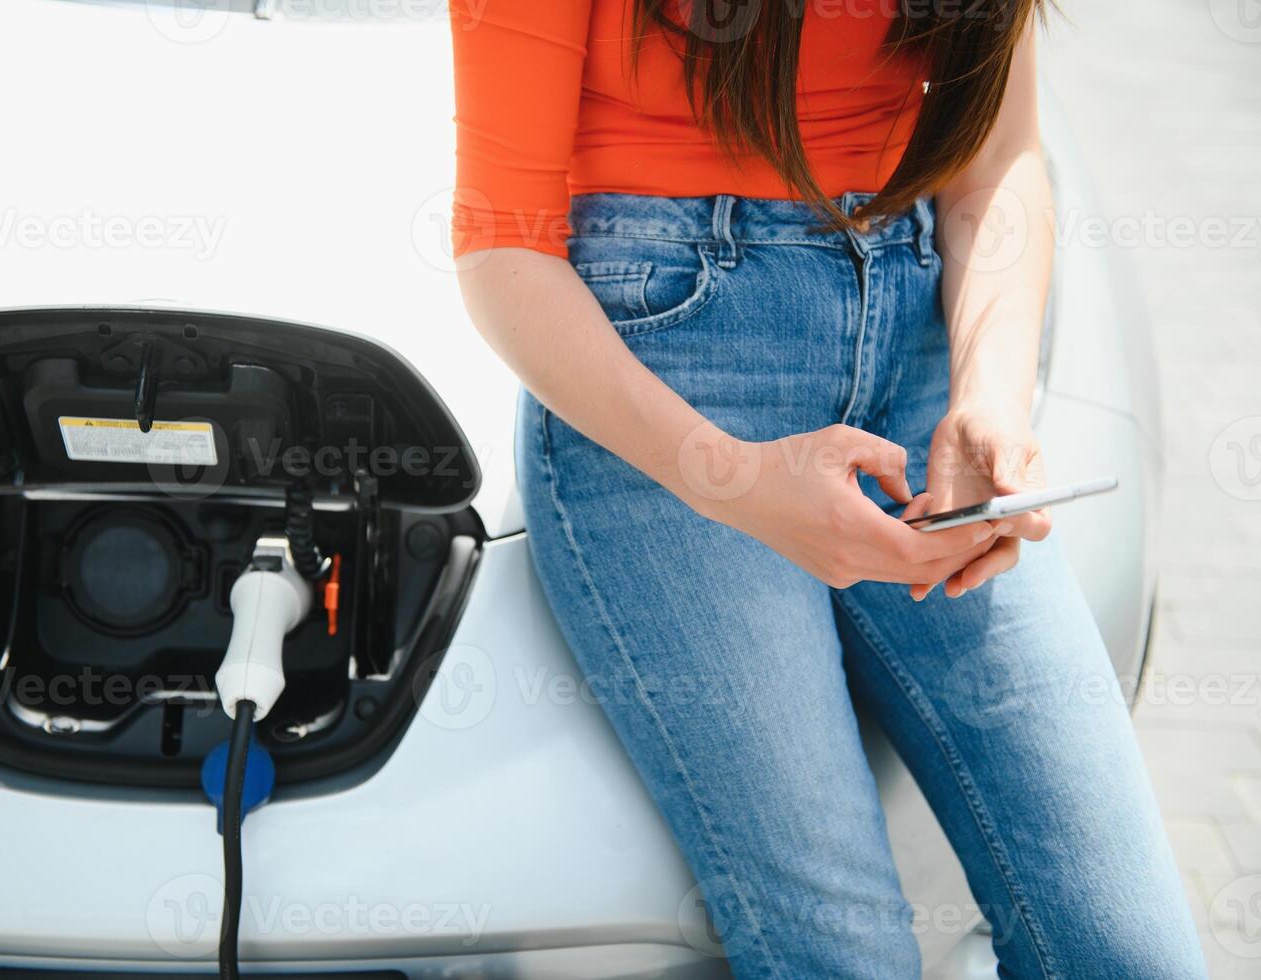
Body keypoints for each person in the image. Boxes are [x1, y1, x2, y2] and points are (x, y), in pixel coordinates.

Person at [448, 0, 1206, 976]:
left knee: (1130, 952)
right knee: (844, 955)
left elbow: (999, 158)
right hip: (673, 396)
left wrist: (990, 394)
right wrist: (741, 482)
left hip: (916, 346)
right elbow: (499, 248)